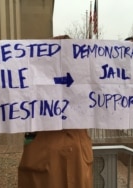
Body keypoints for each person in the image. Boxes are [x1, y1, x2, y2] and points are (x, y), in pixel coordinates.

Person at [17, 35, 93, 188]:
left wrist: (130, 56)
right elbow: (2, 88)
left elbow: (117, 83)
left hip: (78, 159)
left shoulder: (84, 82)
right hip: (43, 160)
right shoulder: (32, 83)